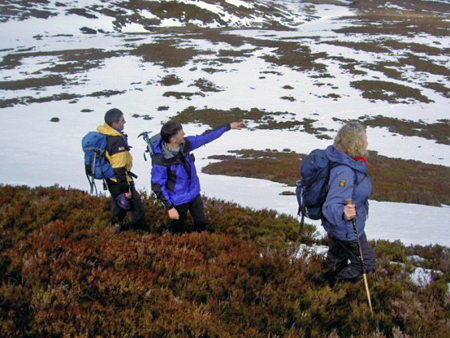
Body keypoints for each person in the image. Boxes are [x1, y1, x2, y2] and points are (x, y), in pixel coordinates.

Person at [151, 121, 244, 233]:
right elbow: (157, 185)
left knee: (201, 223)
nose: (184, 134)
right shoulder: (160, 160)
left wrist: (227, 126)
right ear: (173, 139)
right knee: (177, 230)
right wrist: (170, 207)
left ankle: (201, 241)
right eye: (181, 133)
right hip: (178, 200)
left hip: (193, 193)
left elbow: (206, 137)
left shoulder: (186, 144)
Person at [322, 121, 376, 283]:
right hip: (347, 228)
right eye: (364, 138)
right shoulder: (344, 170)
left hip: (342, 227)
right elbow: (331, 204)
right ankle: (335, 290)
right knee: (366, 264)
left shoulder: (349, 162)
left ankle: (325, 295)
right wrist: (342, 213)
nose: (367, 142)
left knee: (335, 262)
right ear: (357, 142)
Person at [97, 108, 145, 231]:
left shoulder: (106, 133)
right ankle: (135, 233)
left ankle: (116, 229)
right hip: (120, 180)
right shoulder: (117, 141)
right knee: (137, 208)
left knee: (118, 206)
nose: (125, 122)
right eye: (122, 120)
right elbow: (118, 168)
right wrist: (125, 189)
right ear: (114, 123)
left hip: (111, 179)